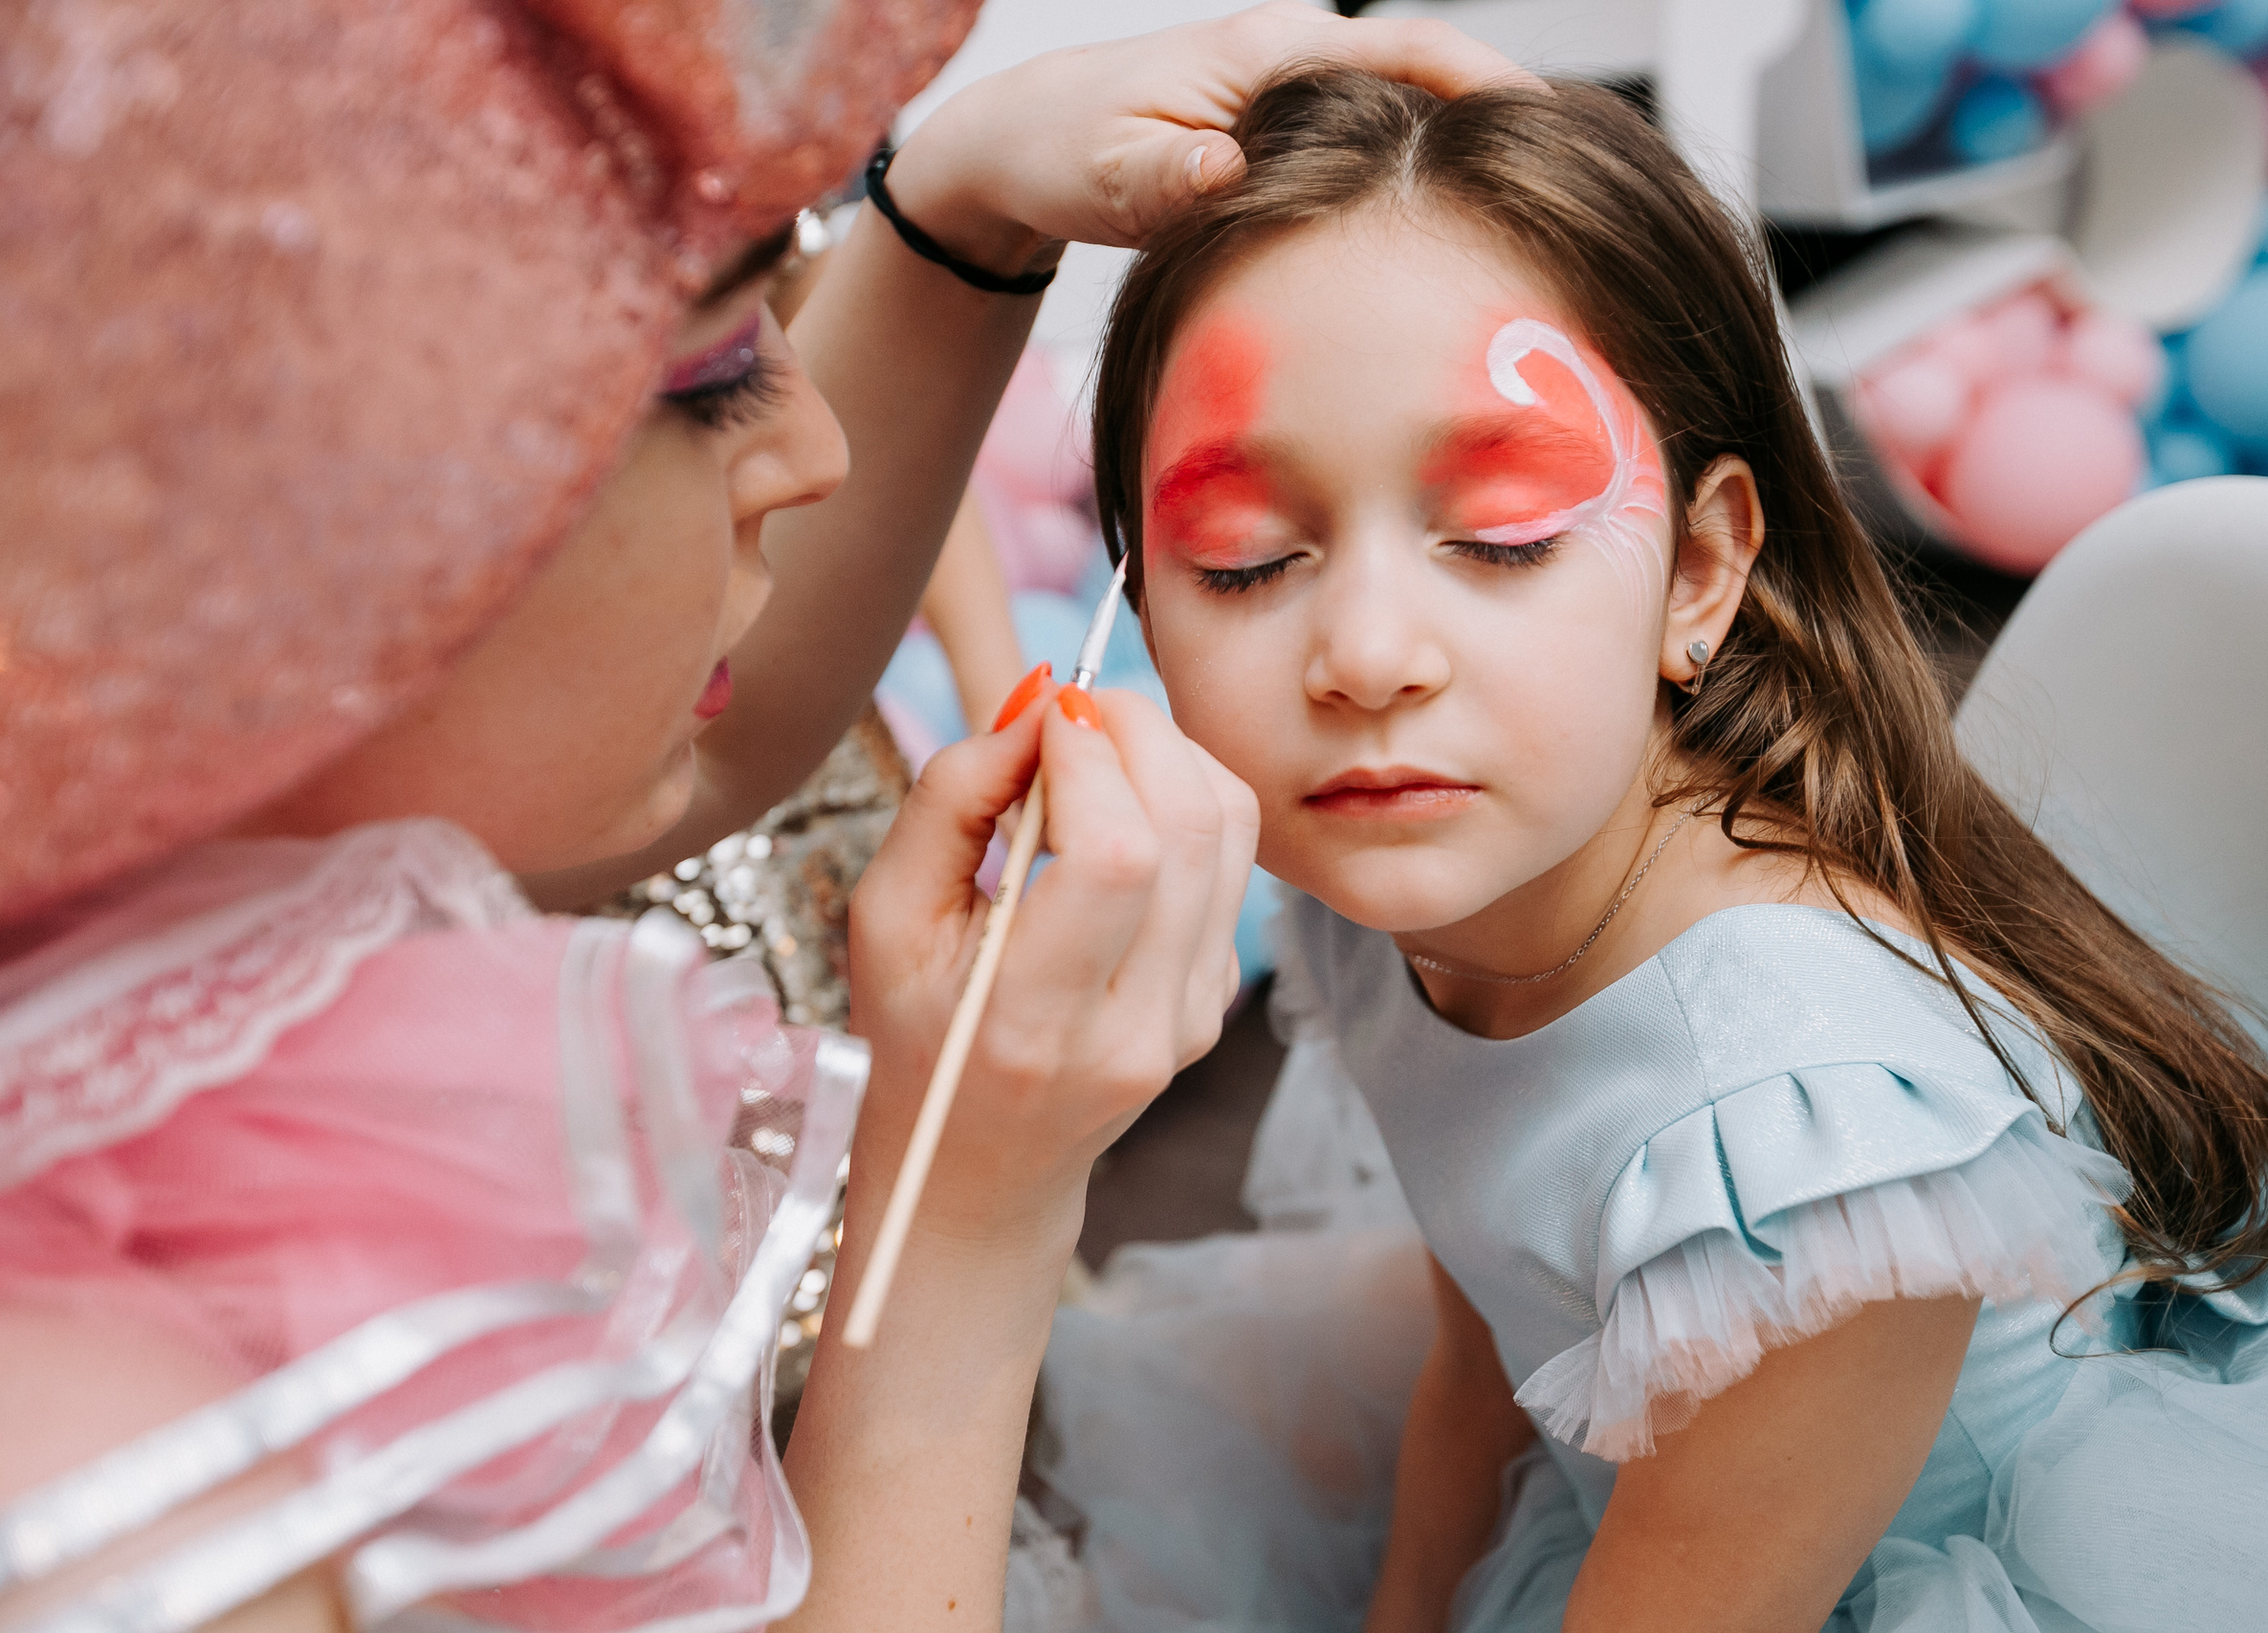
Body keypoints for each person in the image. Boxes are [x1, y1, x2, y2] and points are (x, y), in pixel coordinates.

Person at [0, 8, 1527, 1631]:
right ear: (262, 525)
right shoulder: (115, 1466)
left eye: (1499, 534)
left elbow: (667, 718)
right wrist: (967, 1211)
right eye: (716, 371)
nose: (816, 449)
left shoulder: (173, 875)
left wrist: (962, 218)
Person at [1033, 69, 2268, 1632]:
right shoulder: (1407, 864)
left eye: (1500, 539)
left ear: (1700, 570)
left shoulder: (1809, 1161)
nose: (1367, 658)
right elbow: (1483, 1335)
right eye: (1247, 560)